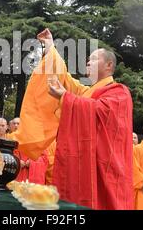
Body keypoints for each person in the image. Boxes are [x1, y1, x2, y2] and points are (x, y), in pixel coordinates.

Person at [11, 28, 134, 210]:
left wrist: (66, 98)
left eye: (92, 60)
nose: (87, 63)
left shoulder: (119, 92)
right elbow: (64, 80)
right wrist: (50, 47)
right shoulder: (87, 92)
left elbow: (97, 110)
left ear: (109, 66)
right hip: (83, 167)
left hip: (105, 169)